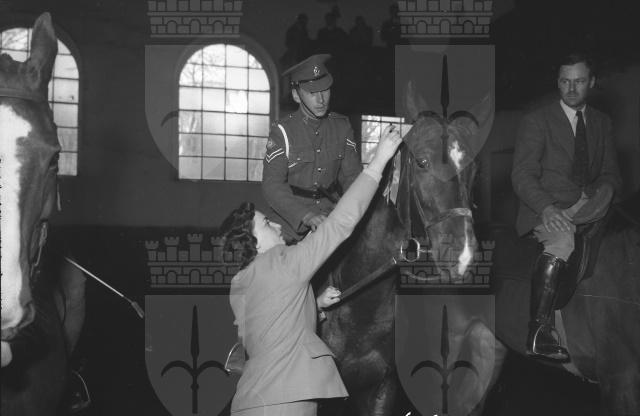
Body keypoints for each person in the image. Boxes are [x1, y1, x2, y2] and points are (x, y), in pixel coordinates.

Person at [222, 125, 402, 416]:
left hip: (249, 402)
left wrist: (314, 304)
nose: (277, 225)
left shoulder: (240, 282)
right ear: (254, 244)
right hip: (285, 405)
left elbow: (272, 325)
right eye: (266, 224)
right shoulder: (284, 263)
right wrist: (379, 162)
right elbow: (339, 224)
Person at [512, 52, 622, 362]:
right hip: (548, 207)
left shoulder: (603, 122)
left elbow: (612, 172)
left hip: (594, 206)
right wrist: (546, 208)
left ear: (592, 82)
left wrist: (606, 191)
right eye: (565, 82)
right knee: (562, 243)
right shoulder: (536, 120)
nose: (571, 89)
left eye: (579, 81)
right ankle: (539, 331)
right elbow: (522, 174)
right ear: (557, 82)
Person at [262, 54, 362, 241]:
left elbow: (352, 176)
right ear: (296, 95)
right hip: (290, 220)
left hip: (331, 213)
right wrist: (306, 216)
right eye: (312, 93)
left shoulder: (342, 127)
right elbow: (272, 185)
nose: (321, 99)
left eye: (325, 90)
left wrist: (345, 210)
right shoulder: (282, 131)